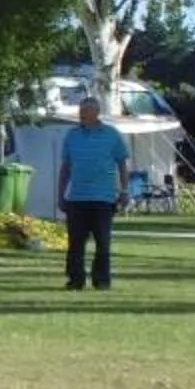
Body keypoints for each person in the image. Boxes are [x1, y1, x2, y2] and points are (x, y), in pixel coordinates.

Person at [57, 94, 131, 292]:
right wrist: (61, 194)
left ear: (96, 113)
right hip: (77, 197)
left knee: (103, 244)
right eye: (81, 111)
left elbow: (122, 163)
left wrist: (124, 190)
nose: (82, 114)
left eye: (86, 111)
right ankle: (75, 279)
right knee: (75, 244)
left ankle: (102, 280)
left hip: (103, 198)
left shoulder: (112, 135)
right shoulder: (72, 136)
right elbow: (66, 166)